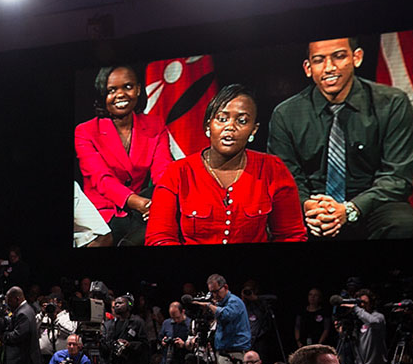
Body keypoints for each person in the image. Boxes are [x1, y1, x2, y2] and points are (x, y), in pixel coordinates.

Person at [267, 37, 413, 240]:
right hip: (312, 208)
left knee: (406, 225)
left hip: (370, 204)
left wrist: (351, 209)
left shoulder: (392, 103)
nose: (329, 67)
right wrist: (308, 206)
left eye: (339, 57)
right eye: (319, 60)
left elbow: (397, 177)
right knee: (276, 227)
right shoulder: (286, 113)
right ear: (308, 68)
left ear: (356, 58)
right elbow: (285, 178)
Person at [146, 84, 307, 246]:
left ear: (253, 130)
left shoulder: (272, 169)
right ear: (209, 125)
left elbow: (291, 235)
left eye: (242, 121)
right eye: (222, 119)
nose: (230, 127)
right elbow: (159, 238)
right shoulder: (178, 172)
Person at [75, 64, 172, 246]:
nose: (120, 95)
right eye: (112, 90)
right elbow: (102, 180)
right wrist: (140, 203)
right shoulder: (85, 131)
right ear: (103, 94)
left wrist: (161, 202)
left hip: (142, 210)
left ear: (138, 89)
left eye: (127, 87)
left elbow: (163, 170)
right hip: (102, 213)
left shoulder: (155, 125)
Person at [2, 287, 43, 364]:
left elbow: (17, 336)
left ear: (17, 298)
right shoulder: (25, 310)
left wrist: (3, 335)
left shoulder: (23, 313)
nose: (8, 304)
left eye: (9, 301)